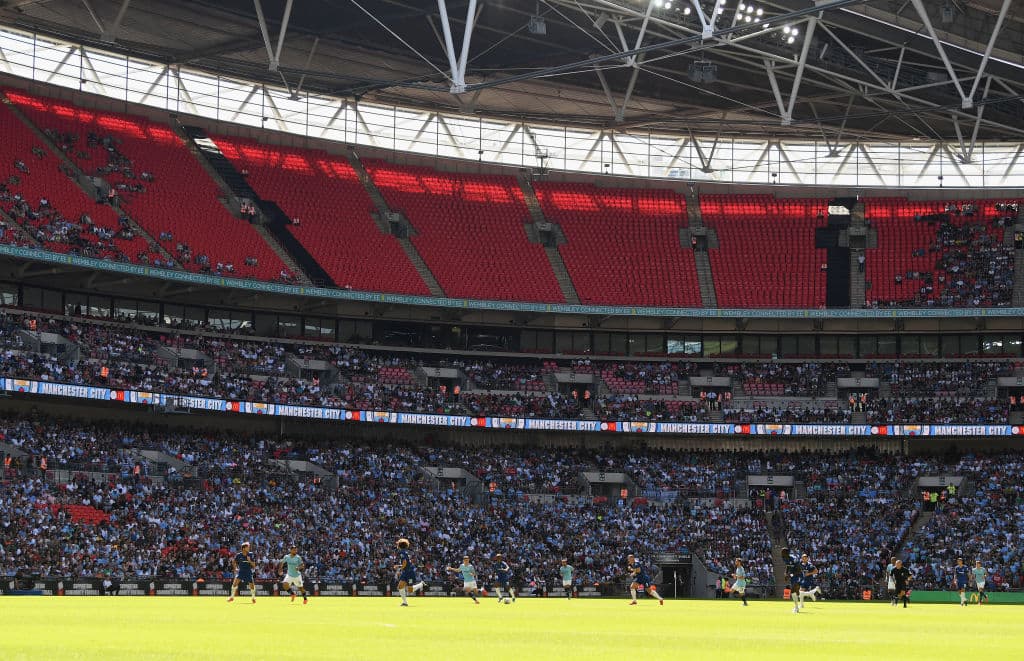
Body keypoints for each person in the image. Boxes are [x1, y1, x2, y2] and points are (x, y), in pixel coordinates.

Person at [394, 538, 426, 607]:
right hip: (406, 571)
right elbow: (406, 563)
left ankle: (421, 584)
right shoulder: (405, 552)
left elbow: (405, 563)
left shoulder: (402, 553)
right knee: (400, 586)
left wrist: (399, 568)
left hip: (409, 572)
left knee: (410, 590)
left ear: (399, 545)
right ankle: (405, 602)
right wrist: (399, 566)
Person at [782, 547, 801, 614]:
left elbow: (799, 570)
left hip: (798, 575)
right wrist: (786, 574)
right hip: (793, 576)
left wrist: (790, 575)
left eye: (783, 552)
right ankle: (798, 606)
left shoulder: (794, 559)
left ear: (786, 553)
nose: (781, 553)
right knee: (796, 592)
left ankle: (796, 608)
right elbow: (788, 566)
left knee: (793, 590)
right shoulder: (785, 558)